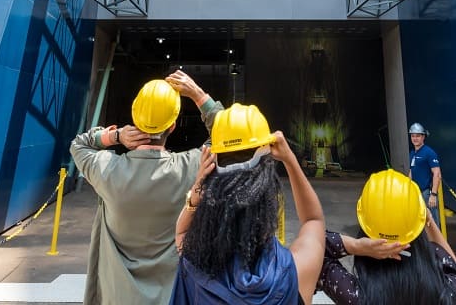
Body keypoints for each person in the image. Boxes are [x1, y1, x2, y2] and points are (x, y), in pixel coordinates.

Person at [70, 71, 224, 305]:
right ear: (173, 126)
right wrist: (197, 94)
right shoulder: (192, 167)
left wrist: (116, 136)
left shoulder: (107, 169)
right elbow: (226, 134)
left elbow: (79, 144)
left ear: (135, 119)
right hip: (173, 295)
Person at [170, 103, 326, 304]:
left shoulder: (194, 265)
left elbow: (181, 233)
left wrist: (198, 188)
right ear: (266, 190)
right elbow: (314, 220)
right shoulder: (294, 271)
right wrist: (290, 160)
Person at [317, 169, 456, 305]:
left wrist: (358, 246)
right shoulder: (455, 293)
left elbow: (315, 245)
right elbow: (455, 267)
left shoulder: (356, 297)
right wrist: (427, 219)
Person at [408, 122, 441, 223]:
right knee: (419, 223)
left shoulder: (429, 152)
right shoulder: (412, 153)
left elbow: (437, 173)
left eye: (418, 136)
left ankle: (436, 240)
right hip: (415, 194)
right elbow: (411, 172)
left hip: (426, 194)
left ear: (423, 137)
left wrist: (433, 195)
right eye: (413, 136)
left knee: (432, 223)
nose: (415, 138)